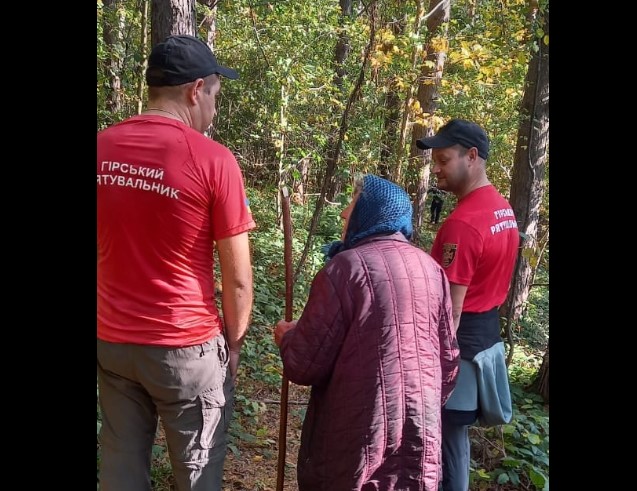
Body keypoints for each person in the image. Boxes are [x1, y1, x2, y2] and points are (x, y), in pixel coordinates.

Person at [97, 34, 256, 491]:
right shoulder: (213, 160)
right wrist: (235, 347)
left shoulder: (102, 147)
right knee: (198, 474)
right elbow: (239, 280)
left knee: (121, 470)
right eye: (215, 96)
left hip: (112, 344)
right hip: (184, 349)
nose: (214, 108)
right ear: (195, 90)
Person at [274, 174, 460, 491]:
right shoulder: (431, 270)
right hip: (420, 429)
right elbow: (449, 362)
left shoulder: (346, 269)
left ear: (371, 212)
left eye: (352, 204)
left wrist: (287, 337)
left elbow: (303, 365)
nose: (344, 213)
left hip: (357, 433)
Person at [416, 119, 520, 491]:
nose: (436, 169)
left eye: (443, 160)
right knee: (454, 441)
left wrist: (430, 361)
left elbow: (450, 309)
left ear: (472, 156)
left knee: (447, 441)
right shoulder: (502, 209)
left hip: (460, 348)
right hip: (485, 337)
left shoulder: (464, 223)